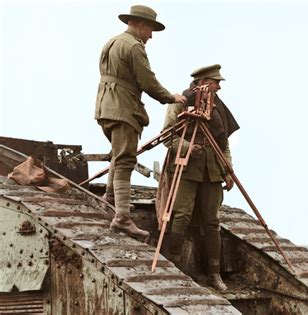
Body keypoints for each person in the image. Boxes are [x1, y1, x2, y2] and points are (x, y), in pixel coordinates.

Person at [95, 5, 186, 240]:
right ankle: (122, 219)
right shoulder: (134, 46)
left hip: (106, 107)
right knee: (126, 160)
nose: (151, 36)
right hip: (124, 109)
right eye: (151, 30)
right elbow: (148, 81)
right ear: (141, 25)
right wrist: (171, 97)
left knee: (119, 153)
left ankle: (112, 196)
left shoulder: (112, 42)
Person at [161, 64, 239, 291]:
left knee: (212, 222)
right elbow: (167, 137)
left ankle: (214, 275)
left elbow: (223, 145)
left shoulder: (218, 107)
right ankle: (175, 267)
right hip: (186, 169)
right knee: (182, 215)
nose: (219, 87)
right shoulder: (180, 102)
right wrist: (187, 147)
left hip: (212, 170)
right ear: (203, 82)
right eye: (216, 83)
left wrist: (228, 170)